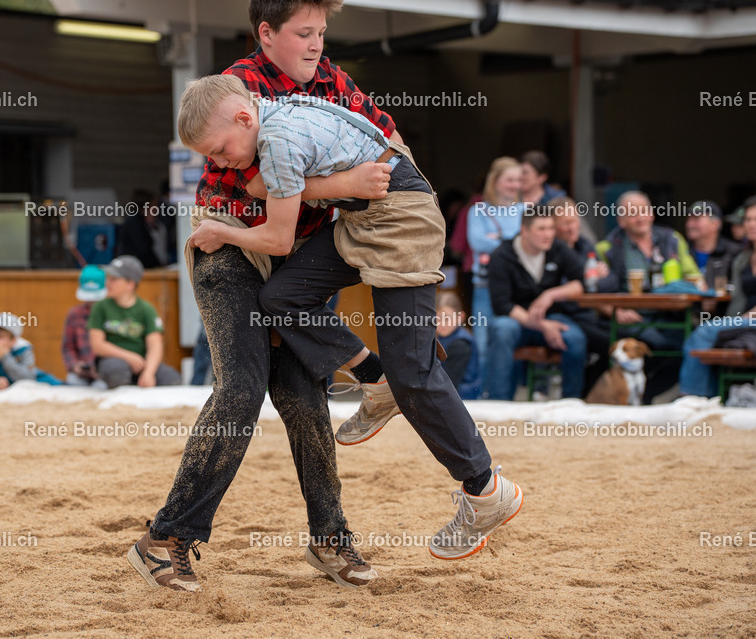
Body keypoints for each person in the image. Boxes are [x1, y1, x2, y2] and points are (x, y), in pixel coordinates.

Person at [180, 73, 523, 562]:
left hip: (402, 217)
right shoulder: (275, 111)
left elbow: (277, 240)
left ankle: (486, 490)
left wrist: (223, 232)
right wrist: (338, 184)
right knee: (281, 297)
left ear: (242, 117)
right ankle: (372, 377)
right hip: (364, 217)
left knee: (415, 372)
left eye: (217, 150)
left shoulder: (275, 140)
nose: (217, 164)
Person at [128, 0, 395, 593]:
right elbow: (256, 186)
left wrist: (372, 179)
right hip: (229, 250)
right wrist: (348, 184)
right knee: (242, 390)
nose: (316, 45)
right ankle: (166, 538)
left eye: (322, 33)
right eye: (303, 33)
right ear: (266, 33)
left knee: (306, 403)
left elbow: (388, 148)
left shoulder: (337, 83)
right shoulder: (235, 91)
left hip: (295, 264)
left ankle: (330, 541)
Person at [595, 190, 705, 402]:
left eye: (644, 211)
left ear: (652, 214)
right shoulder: (607, 248)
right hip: (631, 316)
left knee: (693, 345)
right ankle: (630, 397)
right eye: (632, 213)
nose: (640, 218)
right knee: (656, 345)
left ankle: (646, 395)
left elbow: (693, 277)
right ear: (621, 220)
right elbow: (594, 291)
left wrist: (695, 285)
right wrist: (615, 311)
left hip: (670, 315)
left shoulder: (671, 240)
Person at [680, 195, 756, 397]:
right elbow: (738, 300)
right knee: (709, 334)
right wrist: (730, 322)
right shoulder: (742, 258)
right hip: (750, 323)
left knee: (705, 332)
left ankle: (691, 397)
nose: (751, 224)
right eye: (748, 219)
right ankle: (713, 399)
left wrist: (744, 318)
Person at [486, 209, 587, 399]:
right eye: (541, 229)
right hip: (516, 321)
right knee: (501, 329)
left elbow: (580, 284)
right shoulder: (502, 255)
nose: (548, 234)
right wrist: (541, 326)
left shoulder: (558, 248)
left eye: (551, 228)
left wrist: (550, 295)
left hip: (552, 317)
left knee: (576, 338)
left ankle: (572, 404)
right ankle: (498, 404)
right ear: (524, 230)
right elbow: (502, 305)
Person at [467, 157, 524, 396]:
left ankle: (505, 396)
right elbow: (476, 242)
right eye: (509, 179)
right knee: (482, 345)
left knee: (510, 342)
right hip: (484, 287)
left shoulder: (526, 210)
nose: (515, 185)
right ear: (496, 182)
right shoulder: (478, 210)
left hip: (516, 288)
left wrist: (497, 241)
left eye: (518, 180)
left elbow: (528, 244)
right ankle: (481, 397)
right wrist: (512, 242)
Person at [87, 255, 181, 389]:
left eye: (114, 279)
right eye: (108, 278)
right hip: (113, 361)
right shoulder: (100, 307)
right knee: (116, 372)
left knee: (172, 379)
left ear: (130, 284)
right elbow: (97, 345)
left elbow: (155, 345)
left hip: (141, 363)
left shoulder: (146, 309)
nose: (108, 282)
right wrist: (129, 357)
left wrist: (149, 372)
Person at [551, 197, 611, 395]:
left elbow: (608, 281)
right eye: (566, 223)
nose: (572, 227)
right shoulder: (549, 249)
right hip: (564, 316)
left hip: (589, 314)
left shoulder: (584, 245)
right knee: (612, 347)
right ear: (553, 225)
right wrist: (587, 280)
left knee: (624, 341)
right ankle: (576, 395)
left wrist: (600, 277)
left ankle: (585, 390)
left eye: (575, 221)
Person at [0, 312, 61, 390]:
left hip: (44, 383)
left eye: (0, 337)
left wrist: (5, 358)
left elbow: (28, 379)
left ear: (13, 340)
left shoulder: (23, 350)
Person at [61, 265, 109, 389]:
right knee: (72, 383)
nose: (92, 303)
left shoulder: (111, 313)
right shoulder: (74, 314)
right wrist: (75, 366)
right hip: (80, 375)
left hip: (105, 372)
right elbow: (68, 347)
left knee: (102, 386)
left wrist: (101, 367)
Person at [685, 200, 741, 293]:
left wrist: (713, 295)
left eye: (696, 219)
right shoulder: (681, 251)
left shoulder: (733, 252)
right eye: (689, 219)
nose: (689, 224)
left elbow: (739, 286)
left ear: (715, 224)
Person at [436, 291, 481, 399]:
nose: (441, 324)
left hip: (463, 398)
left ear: (460, 317)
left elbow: (450, 382)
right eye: (437, 318)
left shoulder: (460, 344)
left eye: (446, 319)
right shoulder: (442, 338)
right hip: (451, 393)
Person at [116, 189, 172, 269]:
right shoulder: (134, 224)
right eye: (154, 206)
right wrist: (158, 266)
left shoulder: (153, 224)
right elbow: (143, 250)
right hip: (134, 268)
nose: (156, 210)